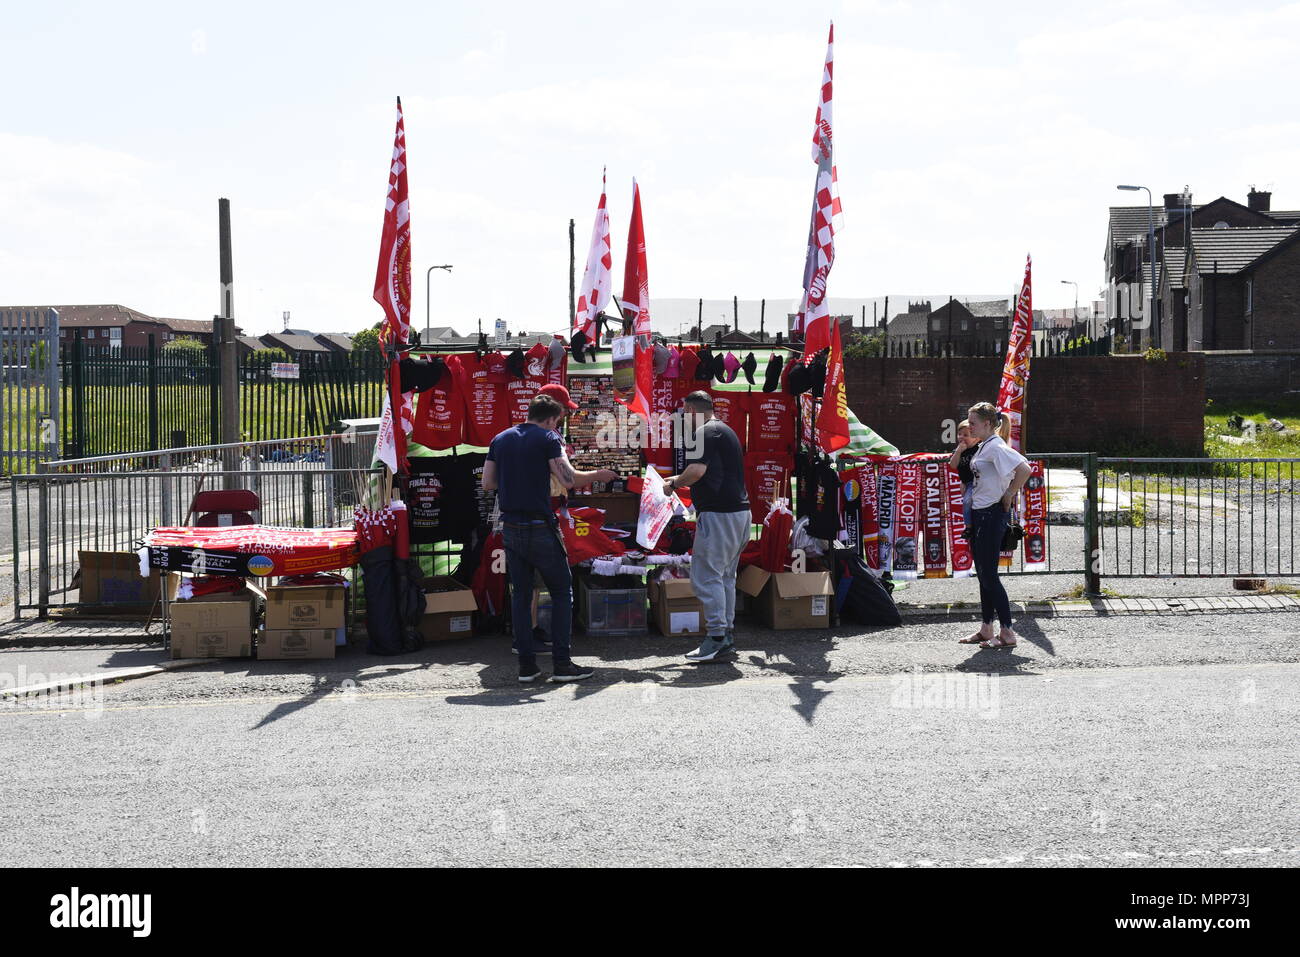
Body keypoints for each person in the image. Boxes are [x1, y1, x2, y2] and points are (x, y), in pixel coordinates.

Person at [481, 385, 618, 684]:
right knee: (560, 592)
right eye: (557, 421)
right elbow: (568, 479)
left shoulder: (500, 438)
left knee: (520, 595)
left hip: (511, 527)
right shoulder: (548, 438)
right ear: (550, 419)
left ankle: (527, 667)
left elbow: (488, 483)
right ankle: (562, 665)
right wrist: (598, 474)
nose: (558, 425)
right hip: (541, 525)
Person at [663, 391, 750, 662]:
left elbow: (697, 472)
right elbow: (707, 471)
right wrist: (675, 479)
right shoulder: (724, 430)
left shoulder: (703, 433)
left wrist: (674, 484)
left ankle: (715, 637)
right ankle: (725, 635)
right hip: (738, 513)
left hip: (719, 515)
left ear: (690, 409)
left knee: (707, 575)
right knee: (724, 576)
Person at [958, 401, 1031, 650]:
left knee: (989, 575)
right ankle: (986, 628)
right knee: (984, 575)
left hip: (991, 515)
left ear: (988, 423)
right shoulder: (984, 446)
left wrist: (1010, 493)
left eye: (973, 422)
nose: (970, 426)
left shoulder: (996, 446)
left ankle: (1008, 632)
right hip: (981, 514)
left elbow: (1024, 468)